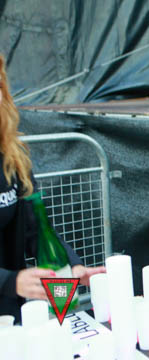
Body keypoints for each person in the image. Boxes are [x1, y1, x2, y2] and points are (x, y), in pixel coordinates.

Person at [0, 55, 105, 322]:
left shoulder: (13, 158)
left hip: (9, 316)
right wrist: (8, 281)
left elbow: (35, 229)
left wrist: (71, 266)